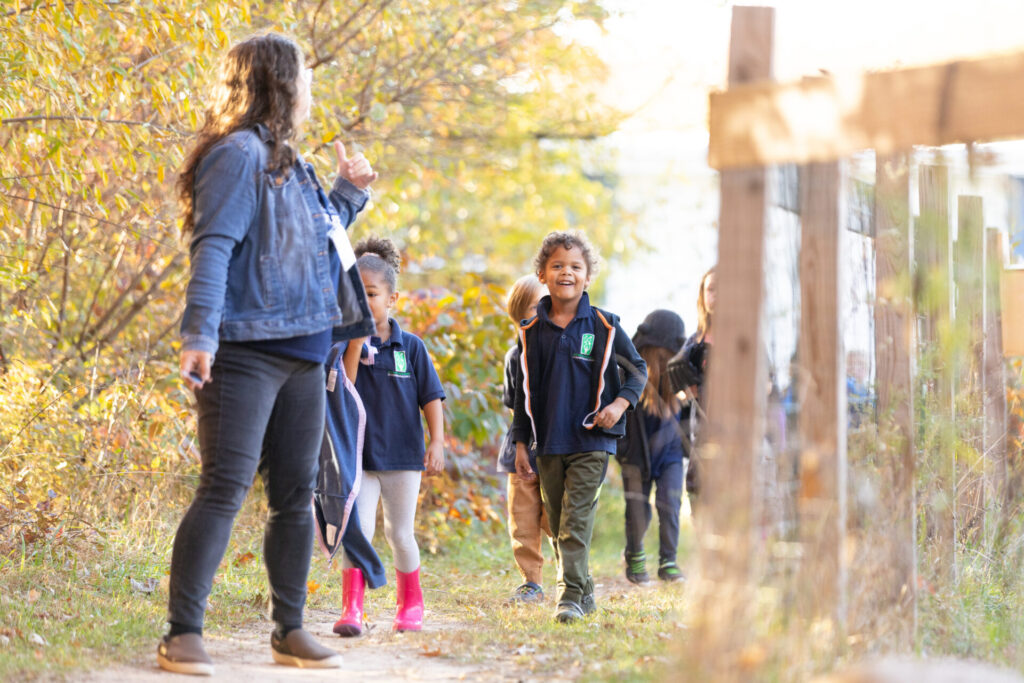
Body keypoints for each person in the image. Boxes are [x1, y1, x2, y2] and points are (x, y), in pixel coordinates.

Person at [161, 33, 378, 675]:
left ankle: (288, 631)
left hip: (306, 352)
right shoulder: (235, 155)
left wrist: (346, 193)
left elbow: (312, 250)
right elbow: (215, 248)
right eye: (303, 76)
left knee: (296, 494)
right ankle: (181, 634)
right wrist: (199, 336)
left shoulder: (292, 160)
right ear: (279, 82)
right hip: (247, 351)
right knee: (224, 486)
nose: (309, 88)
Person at [511, 230, 647, 623]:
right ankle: (583, 590)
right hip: (549, 441)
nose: (565, 272)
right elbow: (525, 392)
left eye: (575, 266)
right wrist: (522, 442)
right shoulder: (530, 331)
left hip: (592, 438)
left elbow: (637, 368)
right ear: (542, 274)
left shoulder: (604, 325)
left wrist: (620, 405)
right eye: (557, 265)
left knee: (576, 519)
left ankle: (567, 596)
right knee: (556, 522)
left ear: (588, 277)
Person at [333, 236, 446, 635]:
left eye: (371, 294)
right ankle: (353, 608)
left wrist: (436, 442)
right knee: (358, 535)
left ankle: (410, 604)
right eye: (355, 295)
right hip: (359, 459)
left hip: (402, 458)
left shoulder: (411, 347)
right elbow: (343, 388)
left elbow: (431, 397)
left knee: (399, 533)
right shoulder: (344, 344)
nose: (364, 303)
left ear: (392, 298)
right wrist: (353, 346)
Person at [616, 310, 688, 584]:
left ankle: (668, 561)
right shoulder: (631, 374)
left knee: (670, 503)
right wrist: (622, 451)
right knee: (638, 509)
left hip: (669, 454)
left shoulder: (679, 375)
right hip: (636, 454)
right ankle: (634, 555)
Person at [496, 274, 550, 604]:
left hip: (556, 447)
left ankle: (570, 575)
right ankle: (531, 581)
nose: (543, 311)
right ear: (519, 313)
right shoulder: (513, 357)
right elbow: (511, 401)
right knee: (523, 519)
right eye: (535, 306)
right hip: (520, 448)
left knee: (554, 516)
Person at [676, 266, 715, 512]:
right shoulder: (693, 343)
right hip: (701, 435)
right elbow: (678, 390)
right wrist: (688, 388)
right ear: (703, 296)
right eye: (711, 289)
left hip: (740, 434)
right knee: (698, 494)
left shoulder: (748, 339)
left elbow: (766, 386)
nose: (718, 295)